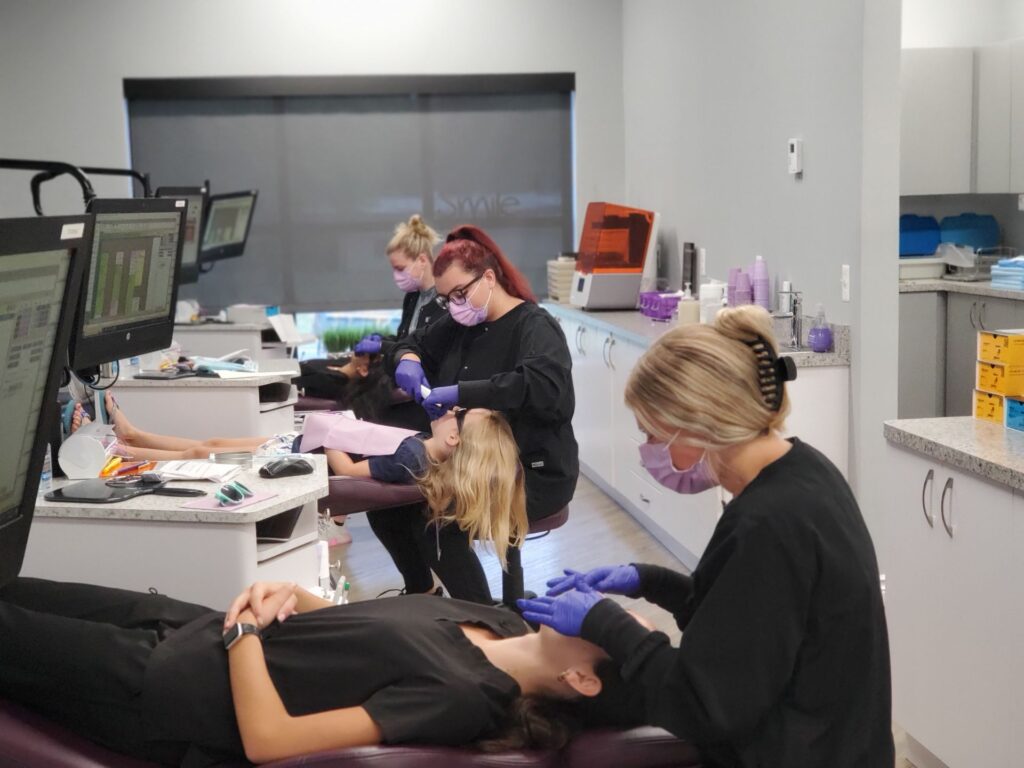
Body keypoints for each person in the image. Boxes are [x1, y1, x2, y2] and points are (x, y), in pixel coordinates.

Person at [519, 306, 894, 768]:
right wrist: (648, 580)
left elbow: (704, 705)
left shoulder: (769, 522)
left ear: (696, 423)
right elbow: (752, 621)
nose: (650, 451)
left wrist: (606, 624)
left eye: (653, 434)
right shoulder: (803, 472)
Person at [0, 577, 631, 767]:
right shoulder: (502, 622)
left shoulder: (468, 696)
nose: (599, 608)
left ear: (583, 681)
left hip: (163, 688)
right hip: (184, 622)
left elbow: (269, 739)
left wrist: (246, 635)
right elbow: (365, 636)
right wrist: (295, 598)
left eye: (608, 628)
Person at [81, 396, 528, 570]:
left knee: (205, 453)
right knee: (212, 443)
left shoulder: (412, 456)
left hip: (297, 458)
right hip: (299, 446)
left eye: (461, 412)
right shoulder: (416, 451)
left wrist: (333, 432)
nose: (452, 408)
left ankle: (127, 452)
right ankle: (136, 438)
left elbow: (350, 472)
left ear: (454, 436)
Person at [377, 225, 578, 604]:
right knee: (387, 505)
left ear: (488, 277)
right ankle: (424, 593)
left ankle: (488, 622)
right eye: (446, 298)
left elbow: (542, 388)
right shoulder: (459, 325)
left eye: (460, 293)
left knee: (435, 521)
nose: (454, 304)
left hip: (530, 473)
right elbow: (408, 342)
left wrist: (463, 393)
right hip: (468, 465)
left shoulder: (534, 326)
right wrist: (407, 359)